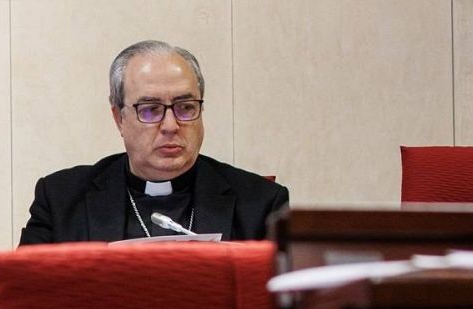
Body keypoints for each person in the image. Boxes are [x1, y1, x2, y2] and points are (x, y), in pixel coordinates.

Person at [19, 40, 288, 245]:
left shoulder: (261, 204)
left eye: (185, 107)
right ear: (118, 118)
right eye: (150, 110)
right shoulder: (61, 200)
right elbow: (24, 300)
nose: (171, 126)